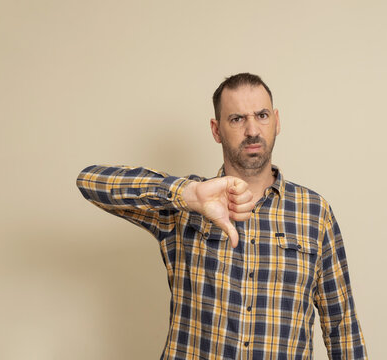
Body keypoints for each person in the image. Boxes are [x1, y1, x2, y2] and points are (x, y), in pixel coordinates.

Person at [76, 73, 367, 359]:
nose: (252, 130)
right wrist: (188, 194)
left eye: (262, 115)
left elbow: (342, 328)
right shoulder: (184, 206)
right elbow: (90, 182)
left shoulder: (315, 213)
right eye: (237, 119)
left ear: (276, 121)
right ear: (216, 130)